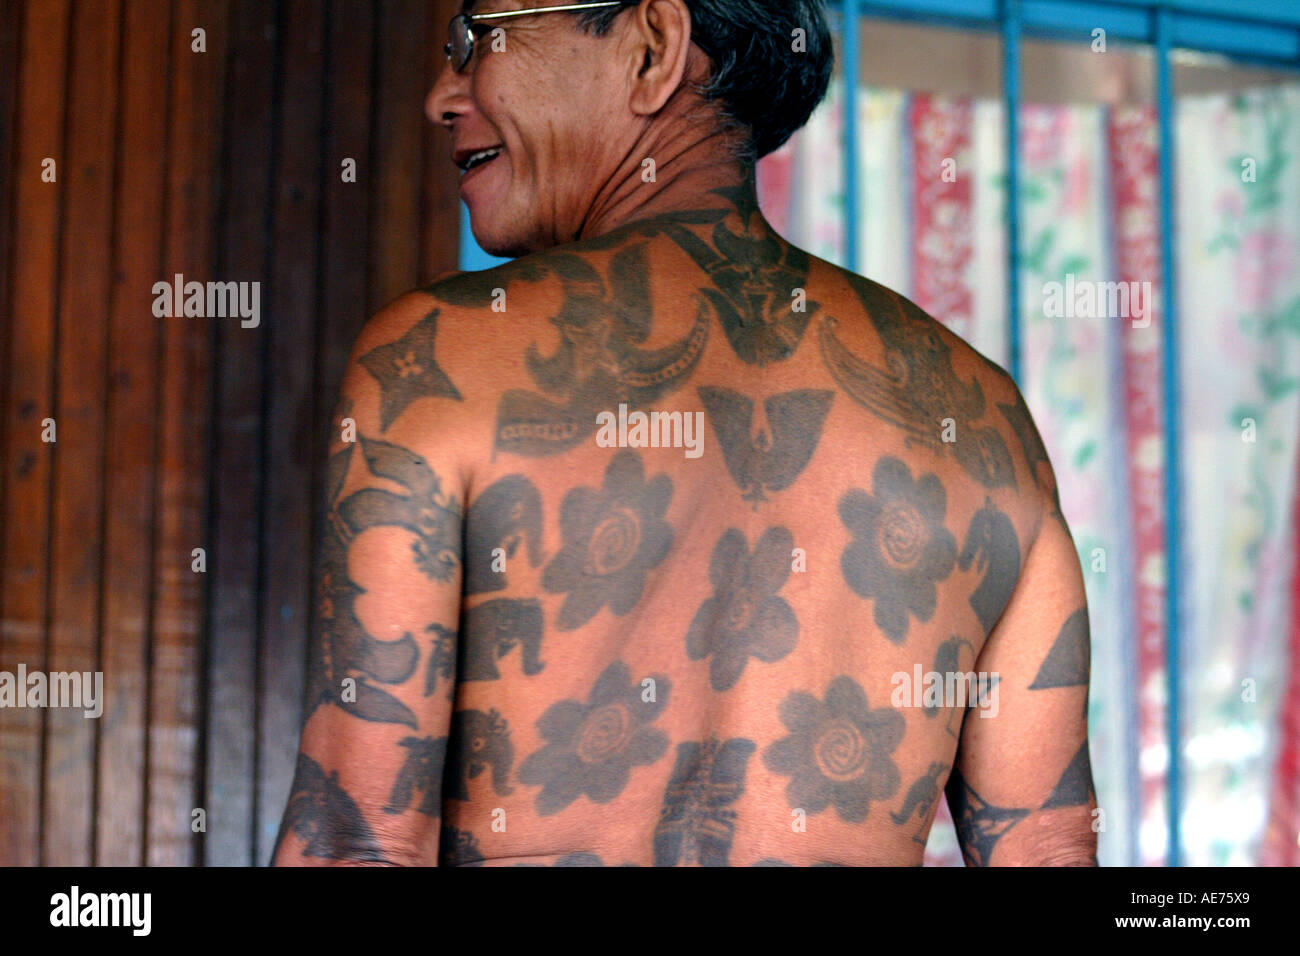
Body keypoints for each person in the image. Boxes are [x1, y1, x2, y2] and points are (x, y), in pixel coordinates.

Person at [273, 0, 1097, 867]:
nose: (443, 94)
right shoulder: (983, 417)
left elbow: (355, 840)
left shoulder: (437, 360)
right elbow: (1047, 849)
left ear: (652, 48)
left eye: (480, 38)